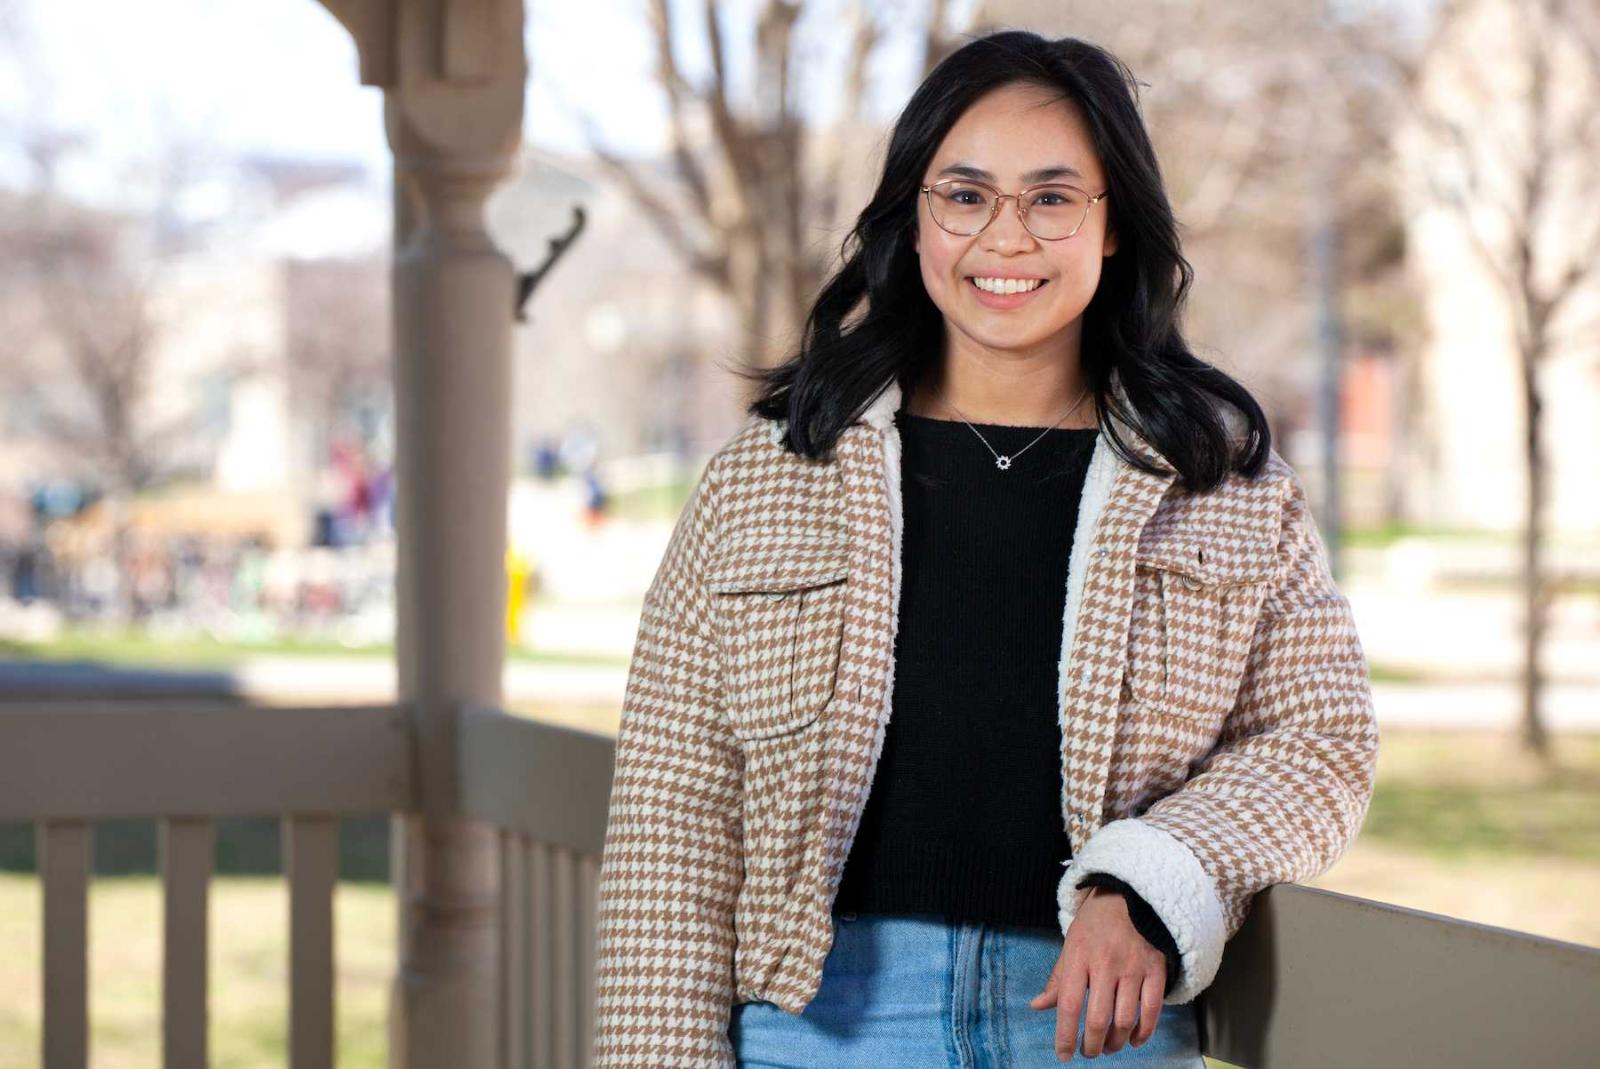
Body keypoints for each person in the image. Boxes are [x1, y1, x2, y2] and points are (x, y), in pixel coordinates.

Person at [591, 29, 1378, 1069]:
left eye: (1051, 198)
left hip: (1100, 1032)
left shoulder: (1220, 483)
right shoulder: (772, 473)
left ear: (1111, 229)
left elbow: (1322, 742)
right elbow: (670, 816)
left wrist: (1150, 878)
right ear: (913, 223)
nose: (1005, 237)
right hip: (823, 1030)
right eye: (965, 196)